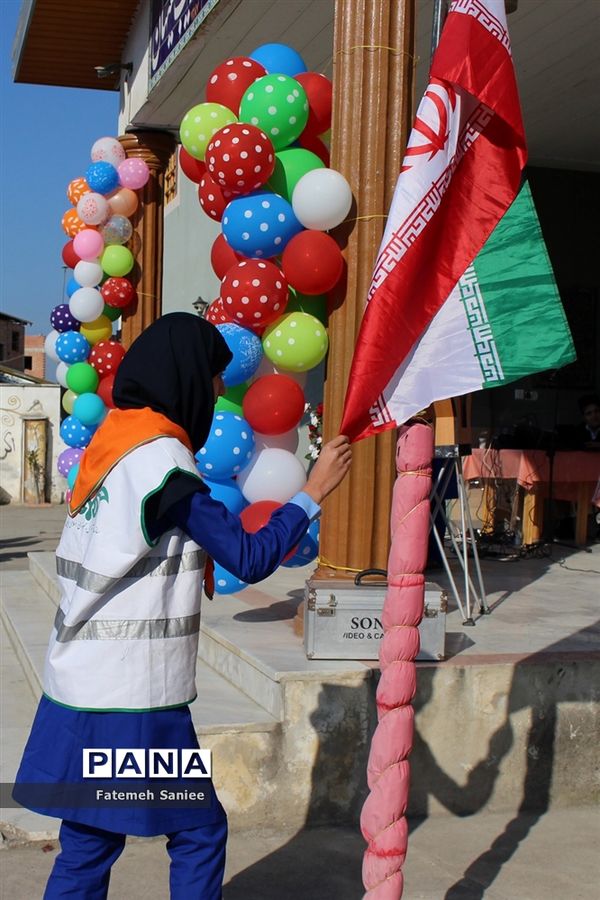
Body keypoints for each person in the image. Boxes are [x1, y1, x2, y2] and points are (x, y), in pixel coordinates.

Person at [14, 313, 352, 899]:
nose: (219, 393)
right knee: (198, 832)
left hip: (79, 687)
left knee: (89, 844)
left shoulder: (112, 443)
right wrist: (311, 494)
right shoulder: (164, 462)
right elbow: (248, 557)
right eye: (214, 378)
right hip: (133, 700)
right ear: (187, 378)